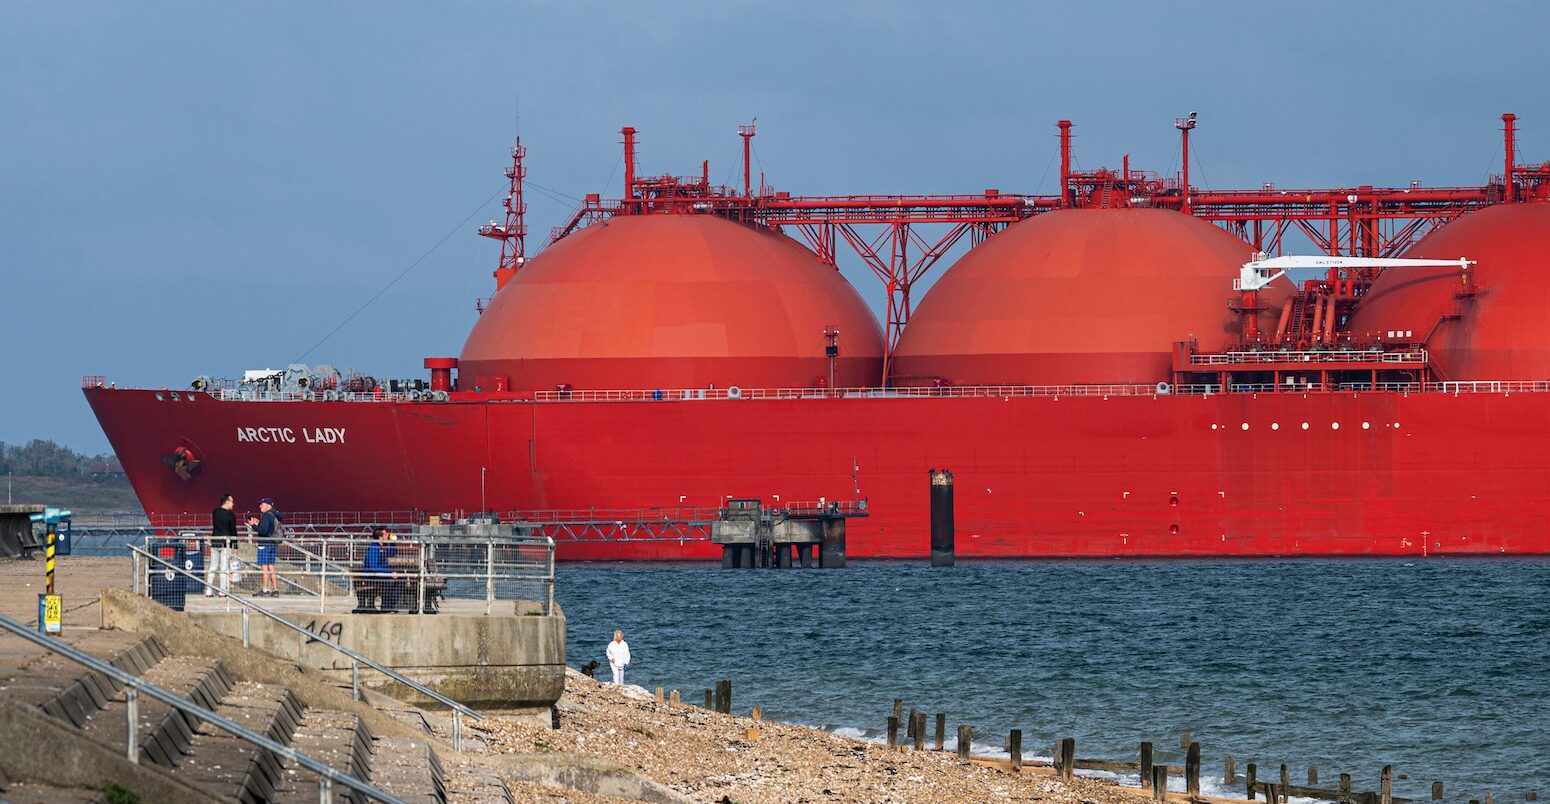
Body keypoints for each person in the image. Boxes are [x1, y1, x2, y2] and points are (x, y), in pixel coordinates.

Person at [247, 498, 283, 597]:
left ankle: (265, 589)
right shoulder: (275, 515)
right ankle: (275, 590)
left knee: (264, 567)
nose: (260, 506)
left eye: (262, 504)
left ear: (268, 505)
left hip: (264, 544)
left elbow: (263, 531)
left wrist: (253, 525)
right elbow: (268, 529)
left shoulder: (266, 515)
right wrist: (259, 523)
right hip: (273, 544)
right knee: (271, 566)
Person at [206, 494, 238, 597]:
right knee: (224, 567)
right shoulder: (231, 515)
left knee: (213, 566)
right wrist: (235, 546)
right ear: (227, 501)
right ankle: (222, 590)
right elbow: (233, 531)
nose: (233, 504)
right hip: (226, 543)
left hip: (215, 542)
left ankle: (208, 590)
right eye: (232, 501)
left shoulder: (215, 512)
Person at [361, 527, 398, 611]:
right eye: (385, 534)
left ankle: (389, 606)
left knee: (400, 580)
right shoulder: (374, 548)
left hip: (380, 575)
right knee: (390, 581)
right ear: (380, 537)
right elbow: (373, 567)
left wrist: (393, 542)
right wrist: (389, 573)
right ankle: (386, 607)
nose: (387, 535)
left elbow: (393, 553)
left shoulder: (382, 548)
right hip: (372, 577)